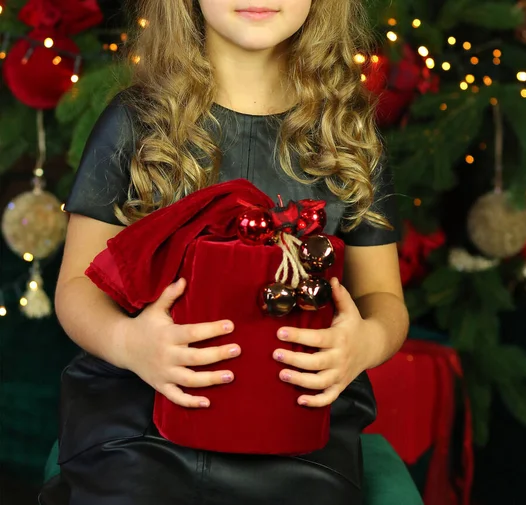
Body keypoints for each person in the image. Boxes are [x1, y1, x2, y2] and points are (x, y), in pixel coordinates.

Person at [39, 1, 409, 504]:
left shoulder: (351, 137)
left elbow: (384, 297)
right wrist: (130, 344)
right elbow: (75, 289)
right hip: (141, 413)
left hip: (293, 424)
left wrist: (364, 342)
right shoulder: (135, 120)